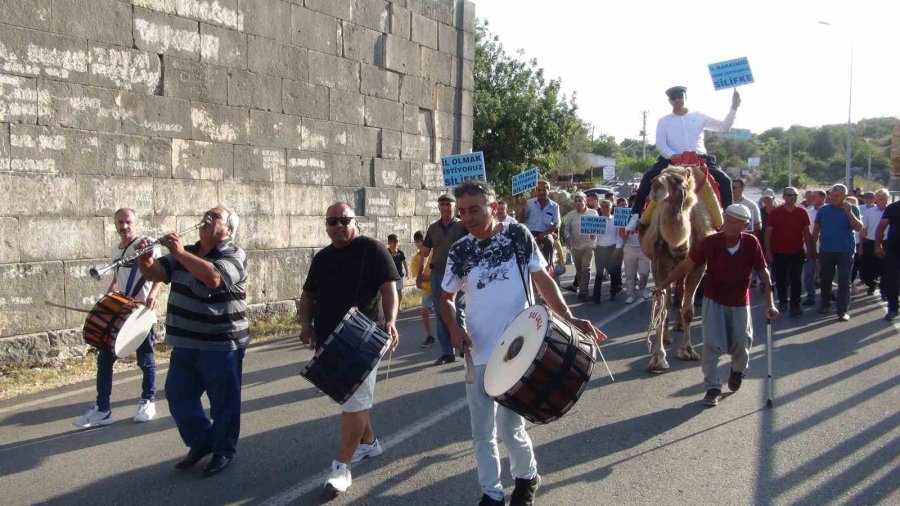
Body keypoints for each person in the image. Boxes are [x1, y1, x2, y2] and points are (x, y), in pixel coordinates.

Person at [439, 180, 605, 506]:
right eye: (463, 212)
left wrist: (569, 319)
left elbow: (542, 281)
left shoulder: (517, 236)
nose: (469, 217)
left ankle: (527, 478)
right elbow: (446, 297)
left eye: (475, 209)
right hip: (479, 352)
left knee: (509, 425)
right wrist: (455, 330)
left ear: (494, 207)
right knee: (481, 431)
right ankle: (491, 493)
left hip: (521, 350)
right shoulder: (460, 250)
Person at [136, 206, 247, 477]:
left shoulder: (234, 254)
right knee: (178, 394)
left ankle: (223, 451)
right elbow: (155, 274)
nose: (207, 218)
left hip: (222, 344)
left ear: (229, 230)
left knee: (223, 402)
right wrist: (146, 257)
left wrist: (179, 253)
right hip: (185, 342)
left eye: (216, 217)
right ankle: (202, 441)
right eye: (206, 214)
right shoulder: (188, 251)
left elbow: (213, 277)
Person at [298, 202, 400, 494]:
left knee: (353, 402)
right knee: (351, 400)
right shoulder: (322, 258)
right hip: (330, 341)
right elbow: (308, 295)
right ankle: (369, 444)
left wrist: (391, 320)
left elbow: (388, 289)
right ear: (326, 225)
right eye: (332, 221)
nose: (338, 226)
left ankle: (342, 469)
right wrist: (306, 325)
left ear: (355, 221)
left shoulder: (372, 249)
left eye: (344, 220)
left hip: (365, 339)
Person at [658, 204, 779, 407]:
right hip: (714, 301)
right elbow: (687, 265)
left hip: (740, 302)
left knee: (742, 342)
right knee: (711, 344)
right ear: (724, 219)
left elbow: (764, 273)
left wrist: (770, 304)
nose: (733, 225)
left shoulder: (751, 242)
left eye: (738, 222)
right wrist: (663, 284)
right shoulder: (710, 242)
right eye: (730, 220)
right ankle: (712, 387)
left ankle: (737, 371)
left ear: (746, 225)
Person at [73, 208, 162, 429]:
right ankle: (103, 409)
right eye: (120, 222)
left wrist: (152, 294)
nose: (124, 226)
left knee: (145, 359)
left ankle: (148, 401)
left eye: (128, 221)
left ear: (136, 222)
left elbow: (160, 273)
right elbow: (116, 276)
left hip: (141, 313)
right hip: (122, 312)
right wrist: (108, 297)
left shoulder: (146, 244)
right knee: (104, 359)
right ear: (115, 224)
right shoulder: (117, 249)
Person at [631, 86, 738, 217]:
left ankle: (730, 216)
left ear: (685, 97)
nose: (677, 100)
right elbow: (660, 144)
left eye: (680, 96)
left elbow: (724, 126)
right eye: (673, 98)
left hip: (700, 160)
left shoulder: (699, 117)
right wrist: (673, 156)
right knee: (648, 177)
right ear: (669, 101)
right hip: (672, 162)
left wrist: (734, 107)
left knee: (725, 180)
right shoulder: (664, 121)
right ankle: (635, 215)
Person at [418, 194, 468, 365]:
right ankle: (447, 352)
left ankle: (463, 346)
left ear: (455, 206)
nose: (445, 207)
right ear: (438, 207)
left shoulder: (463, 225)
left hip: (459, 273)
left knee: (459, 310)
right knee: (440, 313)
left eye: (448, 204)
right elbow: (425, 251)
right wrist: (419, 273)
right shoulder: (433, 228)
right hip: (438, 273)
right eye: (442, 205)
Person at [812, 184, 863, 321]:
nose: (833, 198)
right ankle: (824, 303)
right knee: (825, 280)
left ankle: (842, 311)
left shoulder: (852, 209)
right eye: (832, 195)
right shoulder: (823, 210)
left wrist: (849, 212)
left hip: (845, 251)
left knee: (844, 281)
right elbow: (816, 229)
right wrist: (812, 248)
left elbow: (858, 227)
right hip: (826, 250)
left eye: (837, 196)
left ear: (845, 197)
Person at [764, 187, 814, 316]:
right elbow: (768, 234)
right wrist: (768, 252)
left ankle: (795, 305)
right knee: (780, 279)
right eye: (789, 195)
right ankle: (782, 301)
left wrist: (810, 250)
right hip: (779, 252)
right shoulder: (775, 213)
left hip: (796, 252)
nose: (792, 197)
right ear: (784, 197)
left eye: (795, 195)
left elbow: (807, 233)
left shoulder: (802, 212)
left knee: (796, 279)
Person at [563, 192, 598, 301]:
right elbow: (566, 229)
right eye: (576, 201)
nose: (578, 203)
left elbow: (597, 228)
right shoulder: (571, 215)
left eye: (580, 200)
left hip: (589, 245)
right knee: (579, 270)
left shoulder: (593, 213)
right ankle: (581, 290)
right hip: (576, 246)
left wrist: (594, 234)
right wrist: (568, 237)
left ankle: (584, 292)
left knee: (586, 269)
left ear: (585, 201)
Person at [520, 180, 560, 265]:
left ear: (548, 191)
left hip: (546, 233)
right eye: (539, 190)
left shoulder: (554, 206)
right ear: (536, 191)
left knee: (549, 241)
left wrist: (544, 234)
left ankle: (547, 266)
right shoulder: (529, 203)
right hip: (530, 232)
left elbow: (557, 223)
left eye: (544, 190)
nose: (541, 192)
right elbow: (521, 220)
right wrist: (523, 209)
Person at [592, 199, 624, 302]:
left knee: (614, 273)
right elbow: (593, 238)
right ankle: (596, 297)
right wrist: (592, 236)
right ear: (600, 208)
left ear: (611, 208)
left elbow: (619, 236)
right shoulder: (597, 220)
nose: (605, 209)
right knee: (599, 274)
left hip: (612, 249)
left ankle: (613, 293)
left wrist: (618, 248)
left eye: (607, 207)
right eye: (603, 207)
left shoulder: (616, 220)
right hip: (600, 250)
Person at [874, 196, 899, 320]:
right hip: (894, 251)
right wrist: (877, 246)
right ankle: (893, 309)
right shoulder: (893, 207)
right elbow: (881, 227)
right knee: (892, 280)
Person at [860, 189, 889, 295]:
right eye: (879, 197)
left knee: (885, 269)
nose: (881, 199)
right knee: (867, 271)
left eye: (883, 197)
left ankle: (884, 290)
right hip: (870, 243)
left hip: (887, 243)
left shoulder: (891, 211)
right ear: (875, 199)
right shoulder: (868, 213)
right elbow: (863, 230)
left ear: (887, 199)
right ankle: (872, 284)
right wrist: (860, 246)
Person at [411, 230, 436, 348]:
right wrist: (433, 276)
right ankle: (429, 336)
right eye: (417, 241)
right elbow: (419, 277)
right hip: (427, 290)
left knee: (446, 313)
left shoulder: (434, 252)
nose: (419, 244)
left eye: (421, 241)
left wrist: (429, 277)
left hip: (439, 287)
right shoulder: (416, 259)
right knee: (424, 312)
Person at [621, 213, 651, 302]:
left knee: (644, 272)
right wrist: (625, 233)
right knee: (629, 274)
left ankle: (642, 288)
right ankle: (630, 295)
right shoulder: (626, 216)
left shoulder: (647, 216)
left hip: (643, 248)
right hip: (629, 248)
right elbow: (621, 233)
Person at [803, 190, 826, 306]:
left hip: (826, 247)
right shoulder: (808, 211)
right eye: (811, 196)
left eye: (814, 196)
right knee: (808, 273)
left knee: (826, 273)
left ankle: (825, 296)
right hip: (810, 247)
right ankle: (810, 296)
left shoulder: (829, 211)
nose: (811, 197)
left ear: (823, 198)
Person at [386, 233, 408, 305]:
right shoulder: (386, 252)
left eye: (397, 241)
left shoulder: (400, 253)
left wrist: (407, 271)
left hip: (399, 275)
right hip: (389, 276)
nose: (396, 243)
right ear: (389, 243)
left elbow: (404, 262)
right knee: (390, 292)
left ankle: (398, 306)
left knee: (399, 292)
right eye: (394, 241)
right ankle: (391, 306)